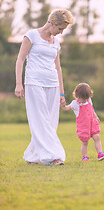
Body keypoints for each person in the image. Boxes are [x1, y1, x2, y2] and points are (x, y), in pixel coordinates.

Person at [15, 9, 74, 165]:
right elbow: (20, 60)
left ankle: (33, 156)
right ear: (52, 23)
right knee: (40, 119)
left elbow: (58, 67)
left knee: (51, 121)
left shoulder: (56, 43)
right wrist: (19, 84)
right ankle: (54, 157)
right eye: (60, 28)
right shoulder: (31, 36)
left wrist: (62, 93)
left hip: (52, 84)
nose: (61, 33)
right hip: (34, 82)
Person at [62, 83, 104, 162]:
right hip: (83, 126)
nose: (85, 100)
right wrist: (63, 106)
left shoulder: (89, 100)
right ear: (77, 96)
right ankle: (85, 157)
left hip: (92, 123)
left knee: (97, 137)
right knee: (85, 142)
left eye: (86, 98)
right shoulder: (75, 104)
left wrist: (96, 116)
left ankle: (100, 153)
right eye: (83, 98)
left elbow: (92, 110)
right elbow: (67, 108)